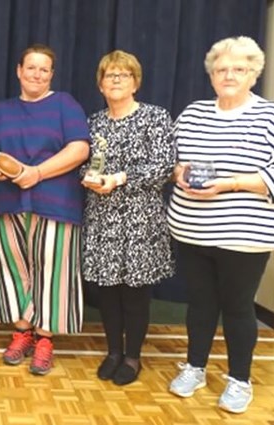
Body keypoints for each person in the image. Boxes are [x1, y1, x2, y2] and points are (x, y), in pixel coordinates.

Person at [166, 36, 274, 414]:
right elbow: (173, 160)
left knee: (238, 307)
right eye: (221, 69)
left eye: (239, 69)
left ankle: (239, 380)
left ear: (253, 74)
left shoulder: (272, 117)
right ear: (211, 75)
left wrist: (231, 183)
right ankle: (195, 367)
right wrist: (179, 172)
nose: (229, 75)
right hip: (194, 228)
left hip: (245, 234)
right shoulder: (194, 113)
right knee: (199, 304)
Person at [0, 44, 90, 376]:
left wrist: (37, 173)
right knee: (13, 269)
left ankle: (44, 340)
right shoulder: (0, 110)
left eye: (44, 69)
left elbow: (80, 149)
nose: (37, 74)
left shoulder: (65, 105)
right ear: (18, 70)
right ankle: (22, 333)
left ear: (51, 75)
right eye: (31, 67)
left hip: (56, 202)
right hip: (8, 202)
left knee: (52, 272)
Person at [81, 50, 176, 385]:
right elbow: (86, 161)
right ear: (101, 84)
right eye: (110, 75)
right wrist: (89, 177)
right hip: (103, 218)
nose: (116, 80)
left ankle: (133, 357)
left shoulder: (155, 117)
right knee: (107, 292)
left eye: (124, 74)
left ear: (136, 82)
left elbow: (164, 166)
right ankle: (112, 352)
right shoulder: (94, 122)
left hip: (141, 220)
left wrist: (119, 179)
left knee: (135, 293)